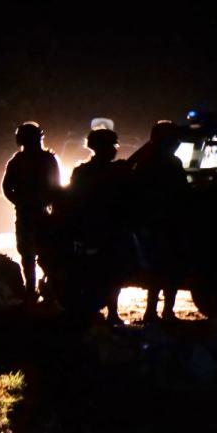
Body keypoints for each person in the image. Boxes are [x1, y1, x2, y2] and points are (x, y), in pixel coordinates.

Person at [67, 128, 129, 323]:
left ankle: (105, 311)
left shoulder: (82, 171)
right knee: (106, 272)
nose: (114, 149)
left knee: (105, 272)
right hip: (101, 228)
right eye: (111, 146)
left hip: (98, 228)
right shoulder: (115, 171)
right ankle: (106, 311)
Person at [130, 120, 190, 322]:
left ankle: (159, 311)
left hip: (161, 223)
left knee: (162, 269)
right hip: (159, 223)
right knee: (164, 268)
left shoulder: (152, 161)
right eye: (173, 139)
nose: (177, 143)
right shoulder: (157, 163)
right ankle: (159, 312)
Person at [2, 121, 61, 302]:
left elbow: (7, 188)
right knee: (35, 254)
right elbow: (57, 187)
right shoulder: (42, 160)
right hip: (35, 213)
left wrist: (20, 202)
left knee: (36, 254)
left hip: (36, 213)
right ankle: (38, 289)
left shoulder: (19, 161)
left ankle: (39, 289)